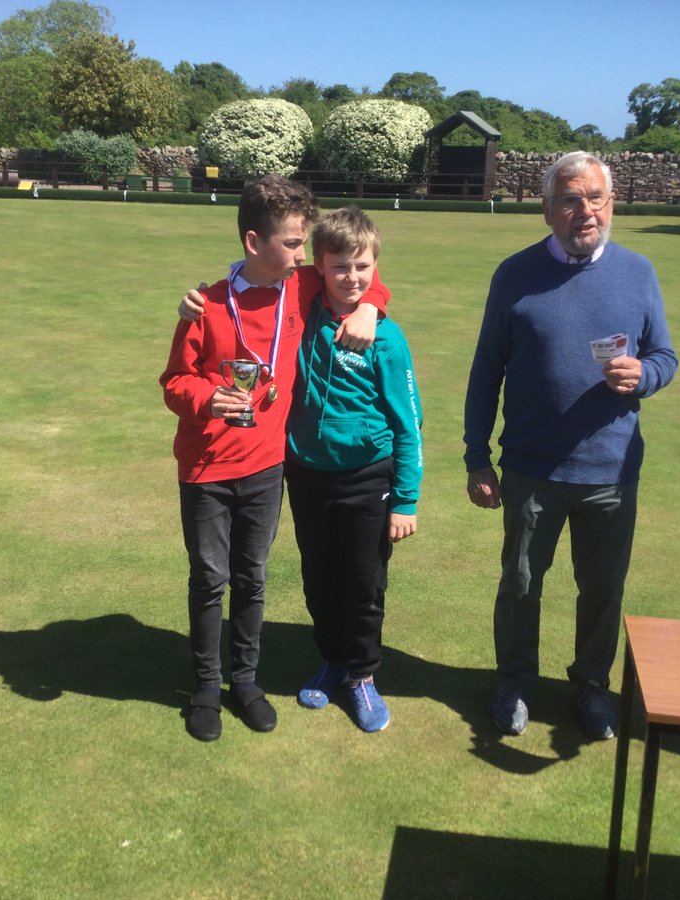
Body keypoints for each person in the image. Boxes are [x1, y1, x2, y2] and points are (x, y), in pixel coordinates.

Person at [160, 175, 389, 742]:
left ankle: (246, 681)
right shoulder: (206, 304)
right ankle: (207, 689)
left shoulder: (304, 283)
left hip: (267, 467)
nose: (303, 254)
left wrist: (372, 311)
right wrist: (207, 398)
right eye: (291, 242)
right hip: (207, 468)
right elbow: (173, 381)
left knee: (252, 578)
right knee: (210, 579)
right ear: (252, 242)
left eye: (303, 242)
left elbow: (360, 275)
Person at [463, 151, 678, 741]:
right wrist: (476, 456)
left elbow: (665, 356)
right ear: (547, 208)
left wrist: (646, 375)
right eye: (570, 199)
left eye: (596, 199)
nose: (585, 211)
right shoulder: (514, 274)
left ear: (611, 204)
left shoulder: (638, 272)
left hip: (611, 470)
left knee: (603, 589)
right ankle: (513, 683)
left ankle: (591, 688)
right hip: (533, 467)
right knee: (522, 584)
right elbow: (487, 371)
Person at [284, 207, 423, 733]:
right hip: (307, 473)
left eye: (362, 267)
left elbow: (409, 424)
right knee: (319, 578)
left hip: (368, 476)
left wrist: (406, 498)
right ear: (318, 266)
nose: (352, 277)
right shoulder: (299, 311)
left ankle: (363, 675)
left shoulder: (385, 338)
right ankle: (333, 660)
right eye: (340, 267)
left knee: (363, 583)